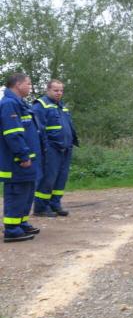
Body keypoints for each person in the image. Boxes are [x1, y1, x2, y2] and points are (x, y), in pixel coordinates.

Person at [0, 73, 43, 242]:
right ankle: (11, 229)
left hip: (27, 159)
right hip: (17, 161)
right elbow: (13, 134)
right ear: (18, 84)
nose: (30, 87)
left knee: (27, 192)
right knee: (16, 193)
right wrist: (23, 155)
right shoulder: (9, 104)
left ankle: (21, 223)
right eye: (28, 84)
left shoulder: (20, 103)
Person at [32, 79, 79, 217]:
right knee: (48, 179)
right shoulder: (40, 105)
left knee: (60, 178)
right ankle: (41, 208)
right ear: (48, 90)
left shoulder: (62, 107)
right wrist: (45, 147)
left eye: (61, 90)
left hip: (65, 148)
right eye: (56, 90)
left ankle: (55, 204)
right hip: (51, 149)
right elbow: (38, 130)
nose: (59, 93)